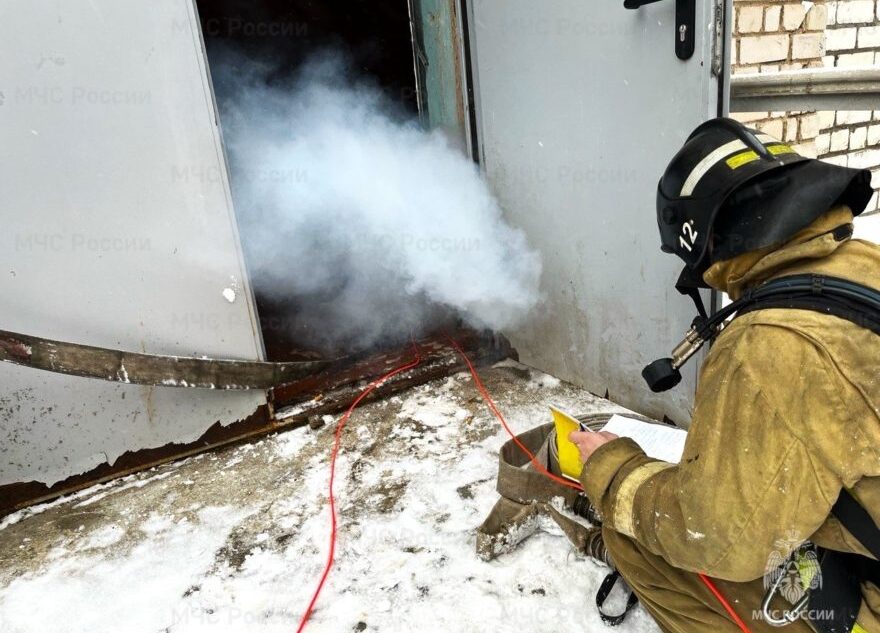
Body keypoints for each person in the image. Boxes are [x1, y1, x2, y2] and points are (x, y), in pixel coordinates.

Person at [569, 117, 879, 633]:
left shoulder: (768, 346)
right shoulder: (862, 265)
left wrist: (612, 470)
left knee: (636, 535)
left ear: (704, 240)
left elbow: (715, 537)